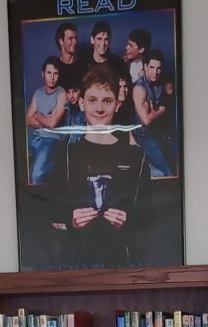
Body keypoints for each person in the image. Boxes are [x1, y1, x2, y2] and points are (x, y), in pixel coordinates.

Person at [48, 65, 146, 268]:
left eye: (107, 101)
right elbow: (50, 216)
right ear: (82, 103)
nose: (99, 108)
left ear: (117, 105)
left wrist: (130, 219)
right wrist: (70, 220)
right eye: (92, 100)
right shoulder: (65, 155)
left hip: (125, 270)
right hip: (76, 272)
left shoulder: (137, 157)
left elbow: (151, 216)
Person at [134, 48, 177, 178]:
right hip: (142, 136)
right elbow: (146, 120)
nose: (155, 72)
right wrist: (162, 110)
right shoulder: (138, 89)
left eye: (158, 68)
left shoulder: (160, 83)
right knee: (167, 173)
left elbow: (169, 87)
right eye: (152, 67)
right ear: (145, 67)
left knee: (177, 157)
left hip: (158, 132)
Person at [25, 56, 68, 184]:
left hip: (50, 140)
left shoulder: (61, 94)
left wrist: (37, 114)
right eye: (49, 73)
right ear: (43, 74)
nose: (52, 77)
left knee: (36, 176)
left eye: (55, 73)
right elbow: (27, 120)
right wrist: (45, 118)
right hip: (35, 137)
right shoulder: (38, 93)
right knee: (24, 170)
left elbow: (52, 123)